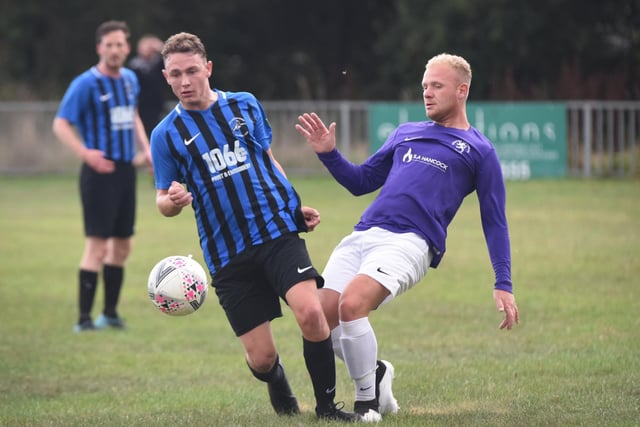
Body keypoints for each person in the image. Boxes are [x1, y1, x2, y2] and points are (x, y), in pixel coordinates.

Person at [295, 53, 520, 422]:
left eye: (437, 86)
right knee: (320, 318)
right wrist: (329, 153)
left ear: (462, 90)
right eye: (424, 86)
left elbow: (494, 220)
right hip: (363, 234)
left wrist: (503, 282)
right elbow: (361, 182)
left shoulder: (480, 150)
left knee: (352, 305)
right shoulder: (406, 132)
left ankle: (366, 403)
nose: (427, 93)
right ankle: (378, 372)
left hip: (412, 243)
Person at [150, 32, 357, 422]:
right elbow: (162, 200)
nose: (185, 82)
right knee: (261, 358)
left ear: (208, 68)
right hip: (227, 253)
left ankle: (327, 409)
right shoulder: (165, 135)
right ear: (166, 76)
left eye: (192, 71)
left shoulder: (244, 104)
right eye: (175, 74)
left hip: (277, 233)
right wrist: (172, 201)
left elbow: (268, 160)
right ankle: (276, 380)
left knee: (312, 314)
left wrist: (293, 208)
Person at [52, 20, 151, 333]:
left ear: (127, 47)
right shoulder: (86, 83)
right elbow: (61, 123)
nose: (115, 50)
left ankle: (109, 313)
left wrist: (146, 149)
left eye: (120, 44)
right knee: (97, 246)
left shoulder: (130, 80)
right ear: (99, 48)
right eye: (109, 44)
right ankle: (83, 319)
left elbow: (133, 115)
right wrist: (86, 154)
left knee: (122, 246)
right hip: (98, 173)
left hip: (125, 172)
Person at [128, 34, 166, 139]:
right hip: (142, 106)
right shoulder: (135, 65)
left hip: (157, 105)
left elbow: (169, 59)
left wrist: (161, 47)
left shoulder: (159, 62)